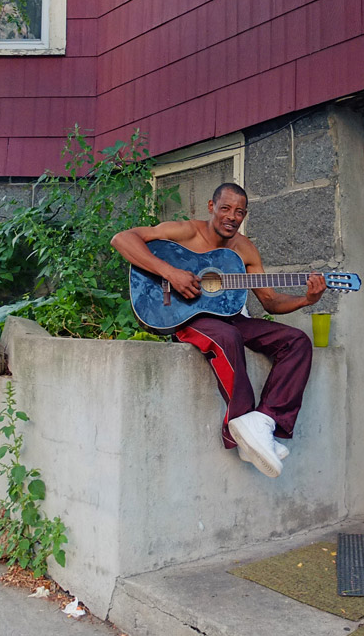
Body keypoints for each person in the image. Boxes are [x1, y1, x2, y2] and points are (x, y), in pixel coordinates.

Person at [111, 183, 327, 478]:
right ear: (211, 207)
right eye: (225, 208)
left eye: (239, 212)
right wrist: (170, 273)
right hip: (184, 316)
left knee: (296, 341)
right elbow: (122, 239)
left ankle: (264, 421)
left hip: (229, 318)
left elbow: (270, 301)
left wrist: (307, 299)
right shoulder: (187, 232)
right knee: (228, 336)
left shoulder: (245, 250)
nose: (231, 217)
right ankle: (242, 422)